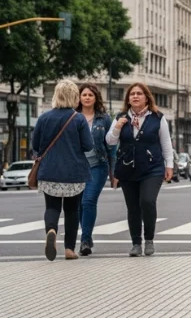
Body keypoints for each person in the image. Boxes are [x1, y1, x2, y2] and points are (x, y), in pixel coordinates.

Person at [106, 83, 174, 257]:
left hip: (152, 167)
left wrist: (169, 165)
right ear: (128, 99)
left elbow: (166, 143)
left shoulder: (157, 117)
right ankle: (136, 243)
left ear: (146, 97)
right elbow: (110, 141)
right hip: (128, 168)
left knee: (147, 201)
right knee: (133, 207)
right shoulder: (121, 117)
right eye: (132, 94)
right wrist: (117, 128)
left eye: (139, 93)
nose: (135, 96)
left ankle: (149, 239)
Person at [32, 80, 93, 261]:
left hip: (49, 171)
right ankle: (69, 249)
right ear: (75, 97)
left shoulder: (44, 118)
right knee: (72, 210)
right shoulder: (79, 119)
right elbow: (88, 146)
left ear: (56, 96)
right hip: (74, 173)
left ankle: (51, 229)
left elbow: (35, 145)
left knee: (52, 206)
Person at [76, 83, 117, 256]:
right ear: (79, 97)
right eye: (84, 94)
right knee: (78, 205)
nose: (86, 97)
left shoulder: (104, 119)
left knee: (88, 201)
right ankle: (87, 236)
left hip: (98, 165)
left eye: (90, 95)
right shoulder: (74, 117)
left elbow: (111, 145)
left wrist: (113, 172)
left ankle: (85, 240)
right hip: (77, 167)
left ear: (95, 98)